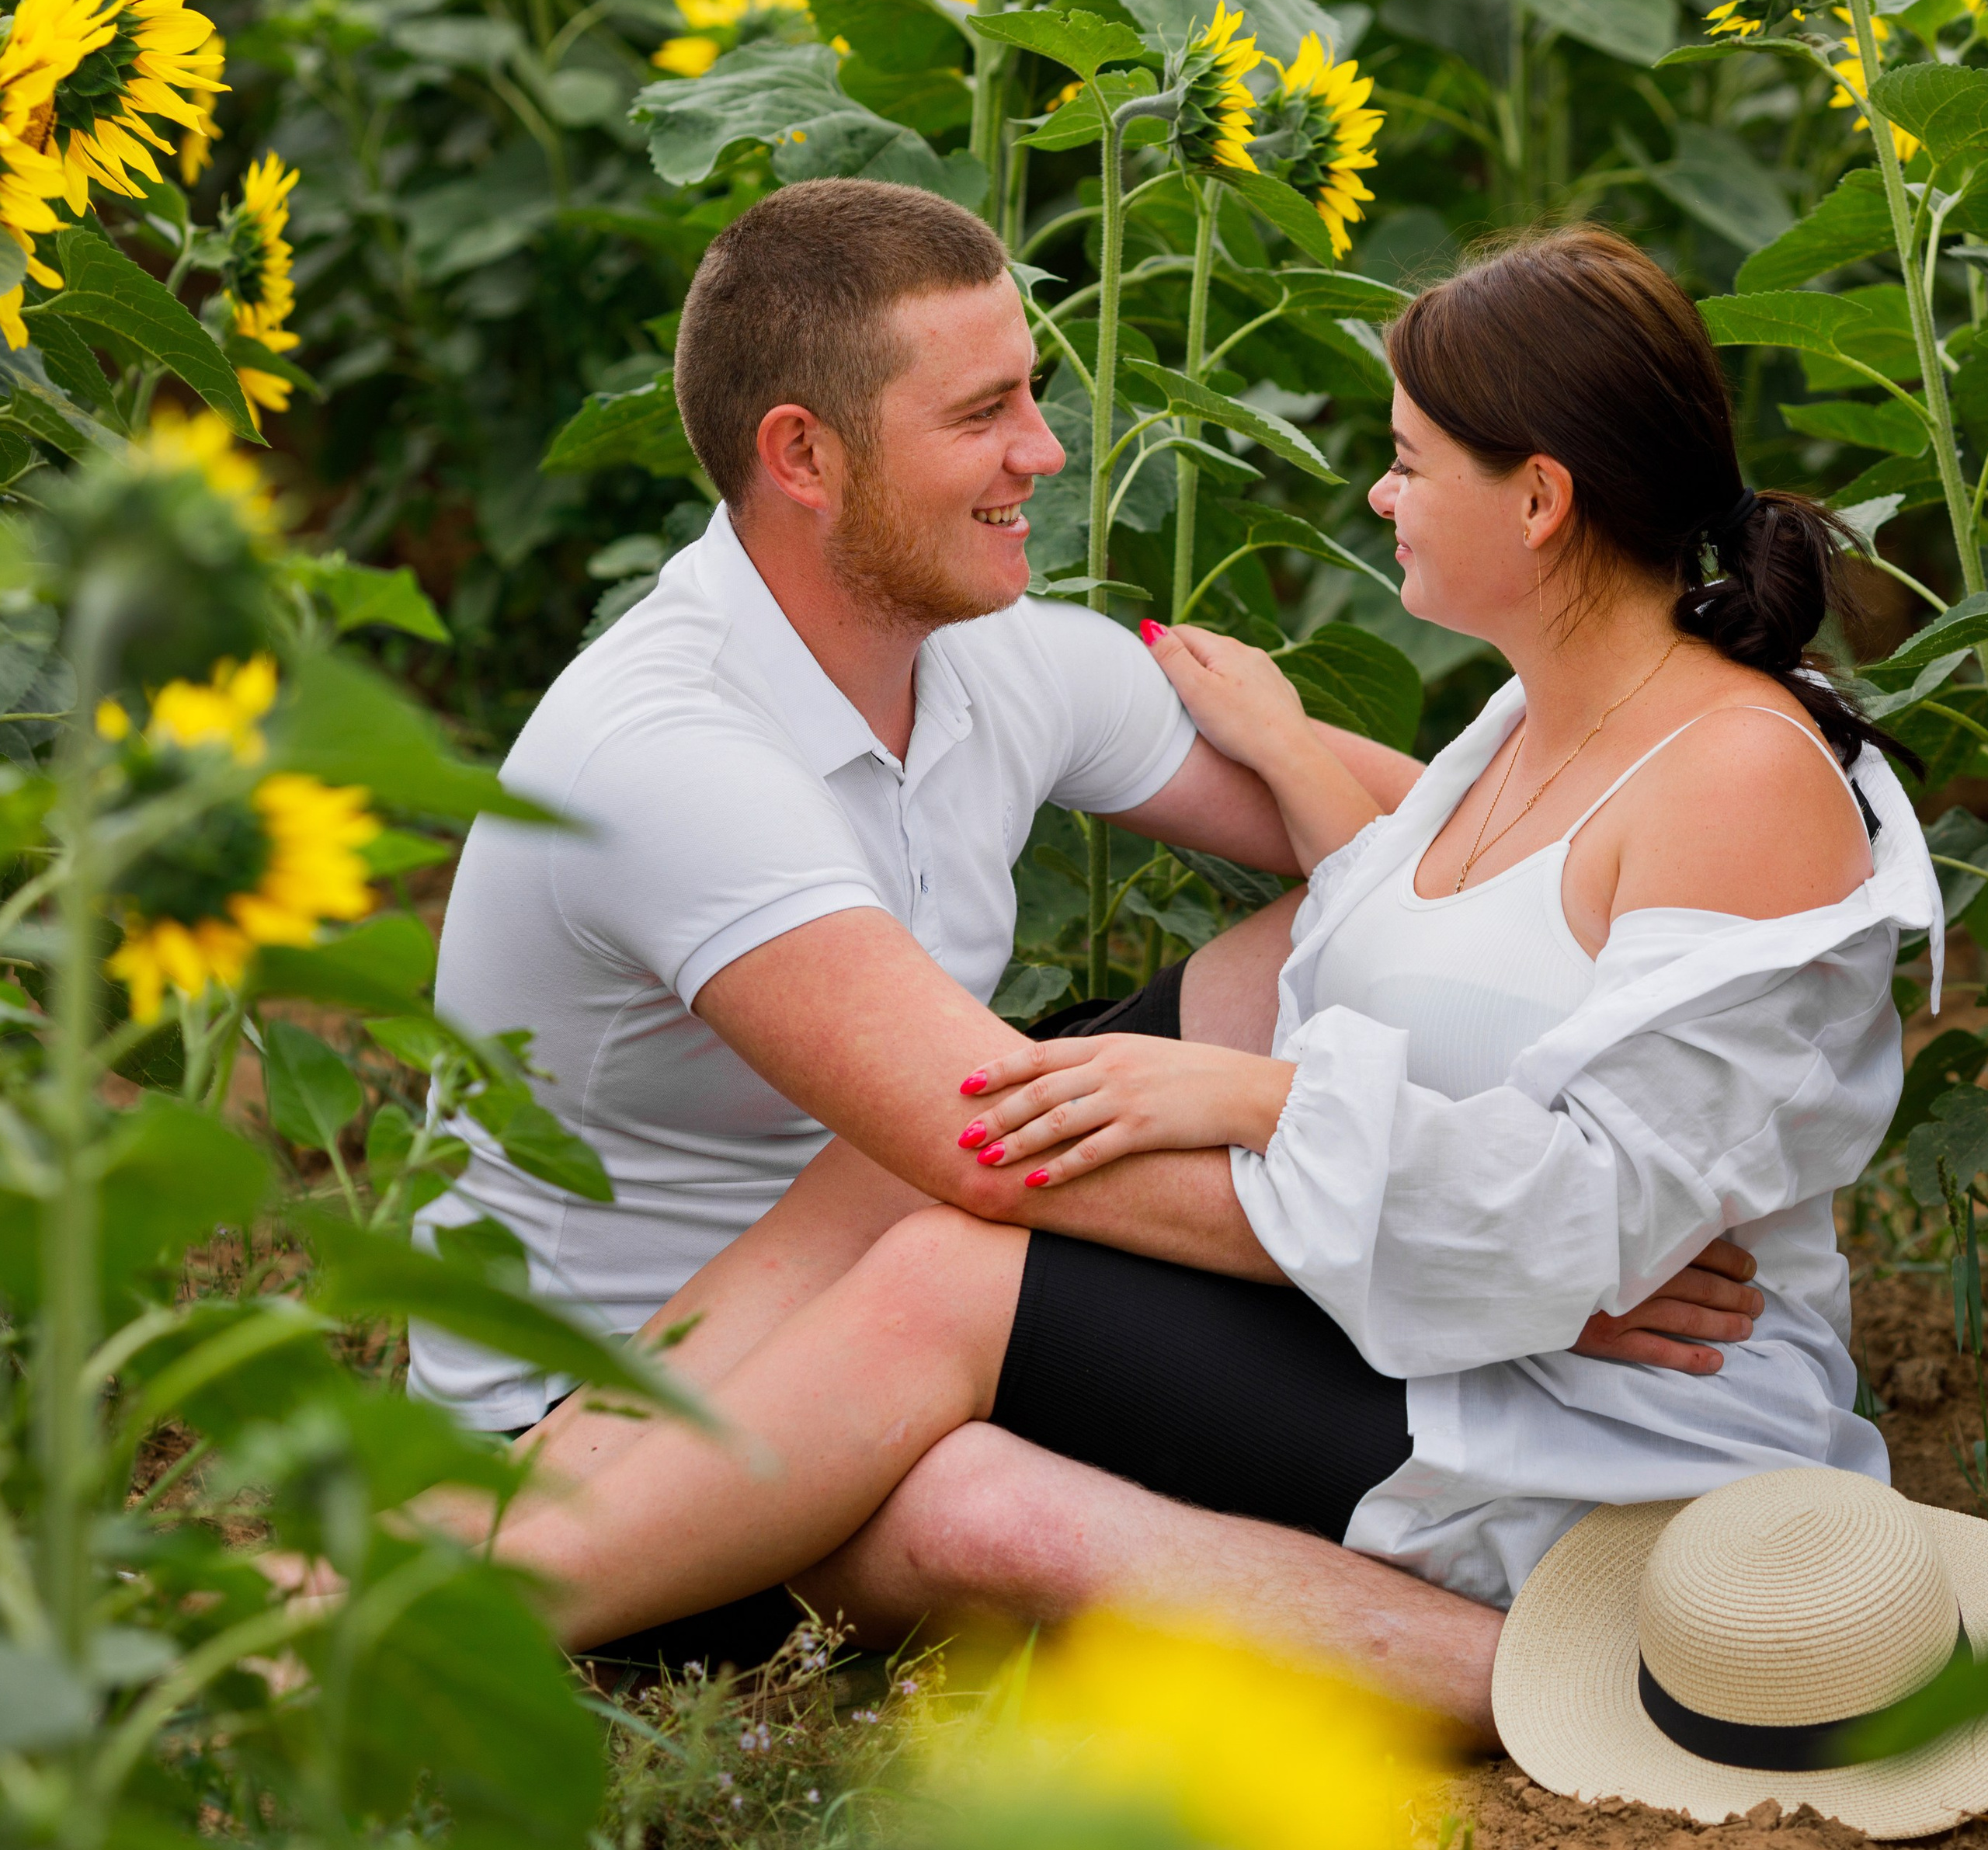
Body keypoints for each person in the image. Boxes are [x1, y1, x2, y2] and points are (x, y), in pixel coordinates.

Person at [465, 227, 1937, 1744]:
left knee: (946, 1267)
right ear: (805, 454)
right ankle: (506, 1523)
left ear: (1541, 499)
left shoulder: (1736, 773)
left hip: (1617, 1410)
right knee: (953, 1437)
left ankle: (417, 1618)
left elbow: (1590, 1223)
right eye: (983, 411)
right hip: (1481, 1314)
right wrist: (1296, 761)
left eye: (1407, 462)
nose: (1377, 496)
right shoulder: (1525, 729)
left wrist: (1256, 1100)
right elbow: (1466, 941)